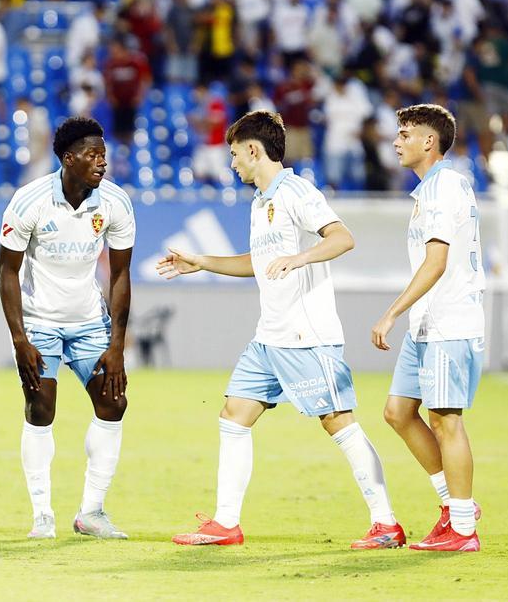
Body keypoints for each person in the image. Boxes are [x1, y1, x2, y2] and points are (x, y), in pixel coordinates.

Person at [162, 110, 403, 549]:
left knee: (338, 422)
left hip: (305, 336)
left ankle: (386, 522)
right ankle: (226, 523)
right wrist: (202, 263)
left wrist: (301, 257)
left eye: (235, 155)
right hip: (269, 338)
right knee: (234, 416)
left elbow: (341, 237)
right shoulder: (260, 203)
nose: (232, 164)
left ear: (254, 151)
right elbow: (256, 265)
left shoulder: (296, 191)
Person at [0, 116, 135, 540]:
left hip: (90, 323)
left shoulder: (115, 203)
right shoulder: (29, 201)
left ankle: (91, 512)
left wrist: (116, 345)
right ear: (68, 158)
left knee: (114, 403)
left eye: (104, 155)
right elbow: (7, 273)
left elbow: (120, 276)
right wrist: (20, 340)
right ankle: (42, 514)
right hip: (39, 322)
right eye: (93, 155)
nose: (102, 163)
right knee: (42, 407)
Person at [371, 104, 485, 552]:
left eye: (404, 134)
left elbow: (436, 264)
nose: (396, 142)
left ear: (428, 142)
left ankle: (462, 529)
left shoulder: (444, 188)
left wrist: (391, 312)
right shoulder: (430, 190)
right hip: (429, 323)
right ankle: (453, 507)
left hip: (450, 322)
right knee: (398, 412)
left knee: (445, 419)